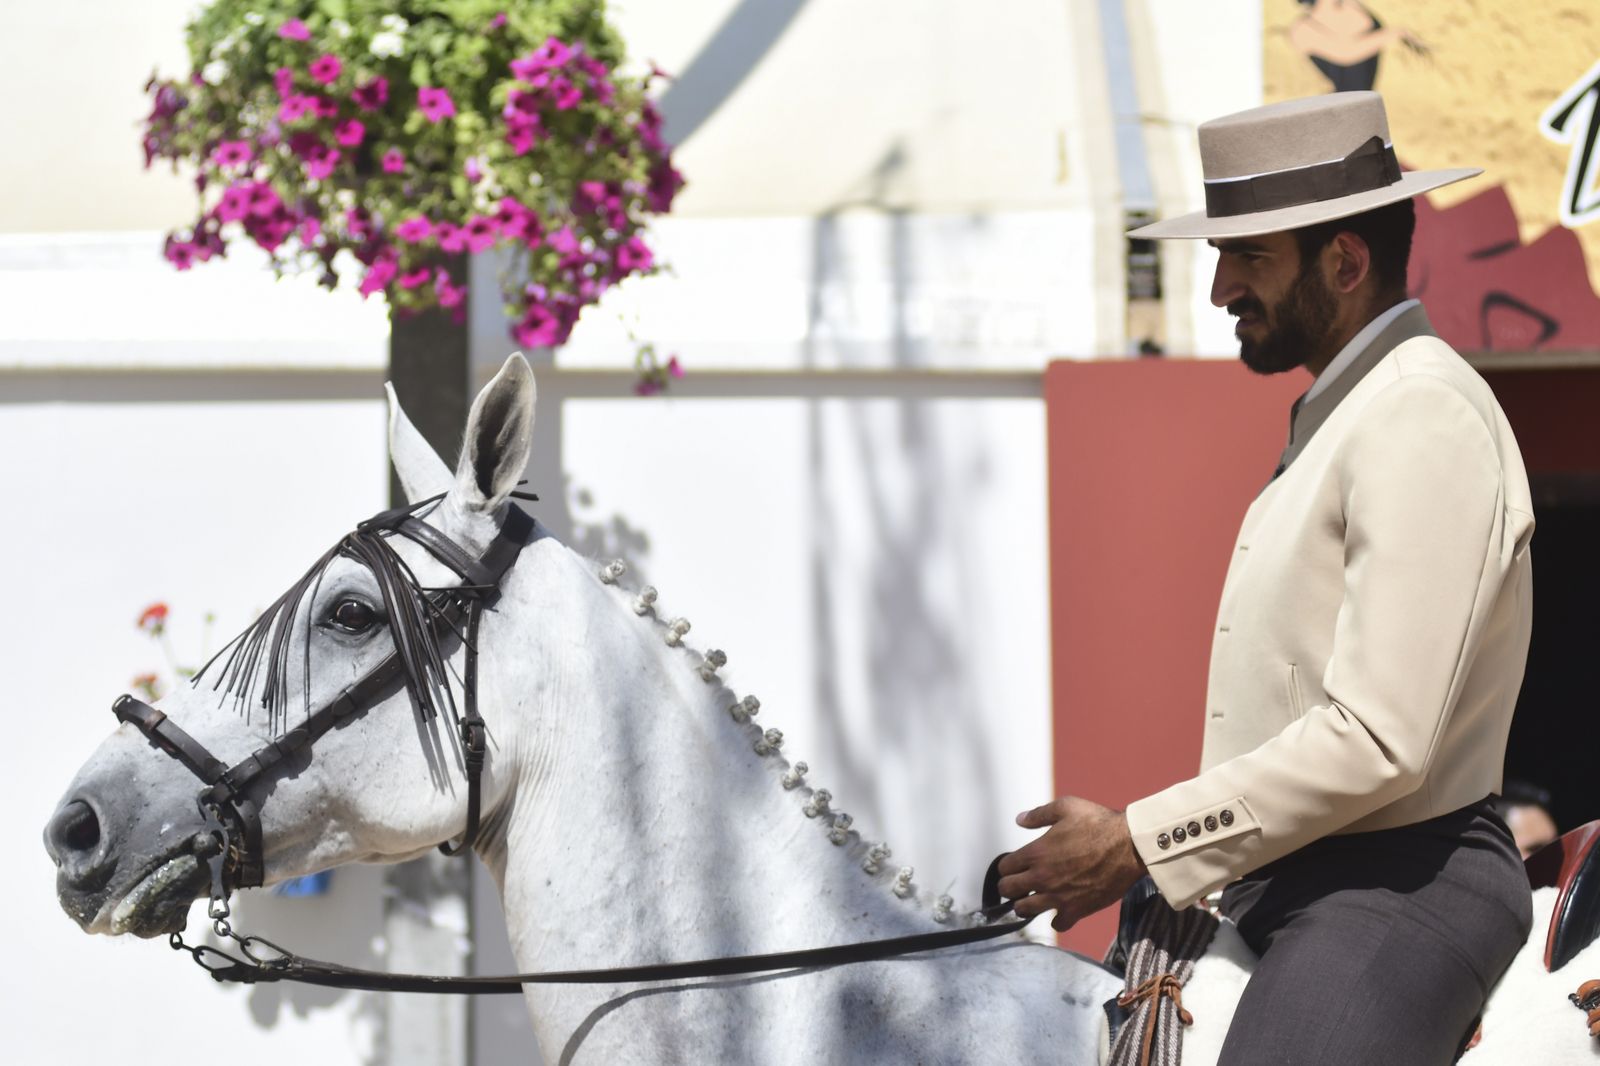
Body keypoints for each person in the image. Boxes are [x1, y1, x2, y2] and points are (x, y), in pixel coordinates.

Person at [996, 91, 1535, 1063]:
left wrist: (1136, 840)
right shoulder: (1352, 411)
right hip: (1289, 878)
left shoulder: (1419, 412)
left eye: (1247, 257)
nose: (1218, 290)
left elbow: (1379, 739)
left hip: (1399, 887)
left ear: (1344, 260)